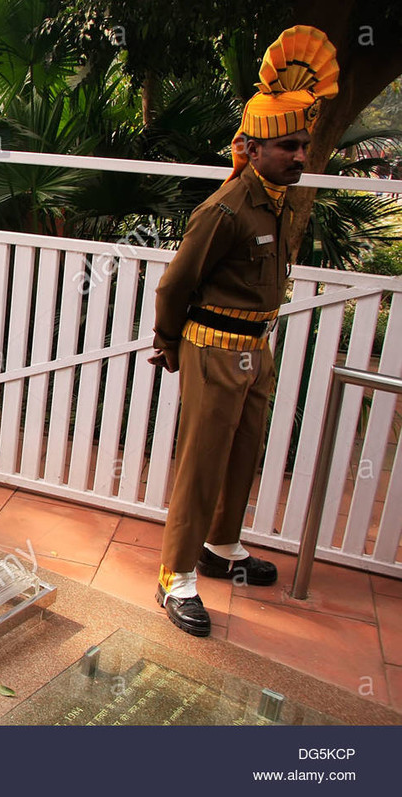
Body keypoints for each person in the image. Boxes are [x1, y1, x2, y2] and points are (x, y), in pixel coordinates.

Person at [149, 25, 340, 637]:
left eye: (303, 144)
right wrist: (167, 341)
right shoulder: (226, 209)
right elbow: (175, 284)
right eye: (288, 146)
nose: (300, 155)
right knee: (200, 464)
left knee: (242, 456)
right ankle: (175, 574)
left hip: (256, 349)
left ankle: (222, 547)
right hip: (211, 350)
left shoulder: (278, 203)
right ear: (253, 150)